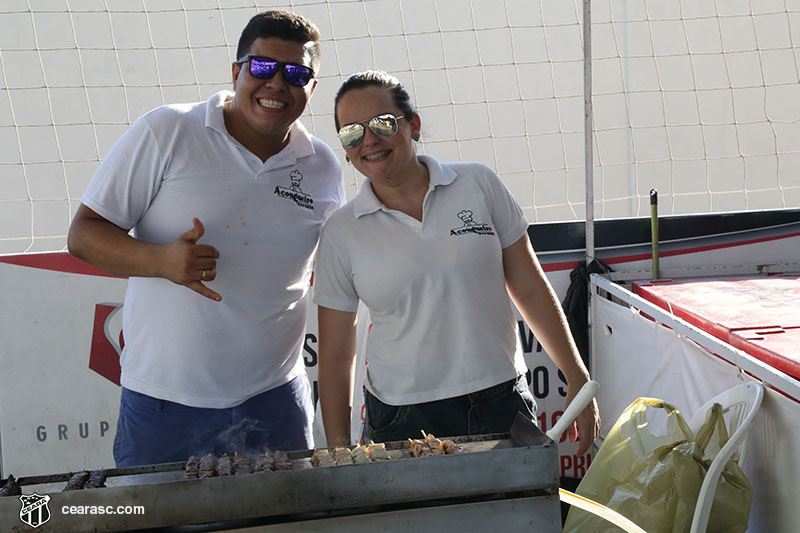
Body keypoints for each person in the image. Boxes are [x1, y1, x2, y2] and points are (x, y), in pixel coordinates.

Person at [67, 10, 345, 466]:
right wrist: (159, 261)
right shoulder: (167, 130)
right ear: (236, 71)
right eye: (261, 67)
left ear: (311, 88)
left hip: (275, 400)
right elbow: (84, 235)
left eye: (296, 73)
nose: (277, 83)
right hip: (164, 402)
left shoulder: (323, 167)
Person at [314, 71, 600, 453]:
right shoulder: (340, 231)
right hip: (402, 418)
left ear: (413, 125)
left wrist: (577, 378)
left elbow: (530, 289)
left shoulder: (479, 184)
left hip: (501, 401)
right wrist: (338, 450)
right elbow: (334, 356)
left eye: (382, 124)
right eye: (351, 133)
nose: (369, 140)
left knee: (515, 513)